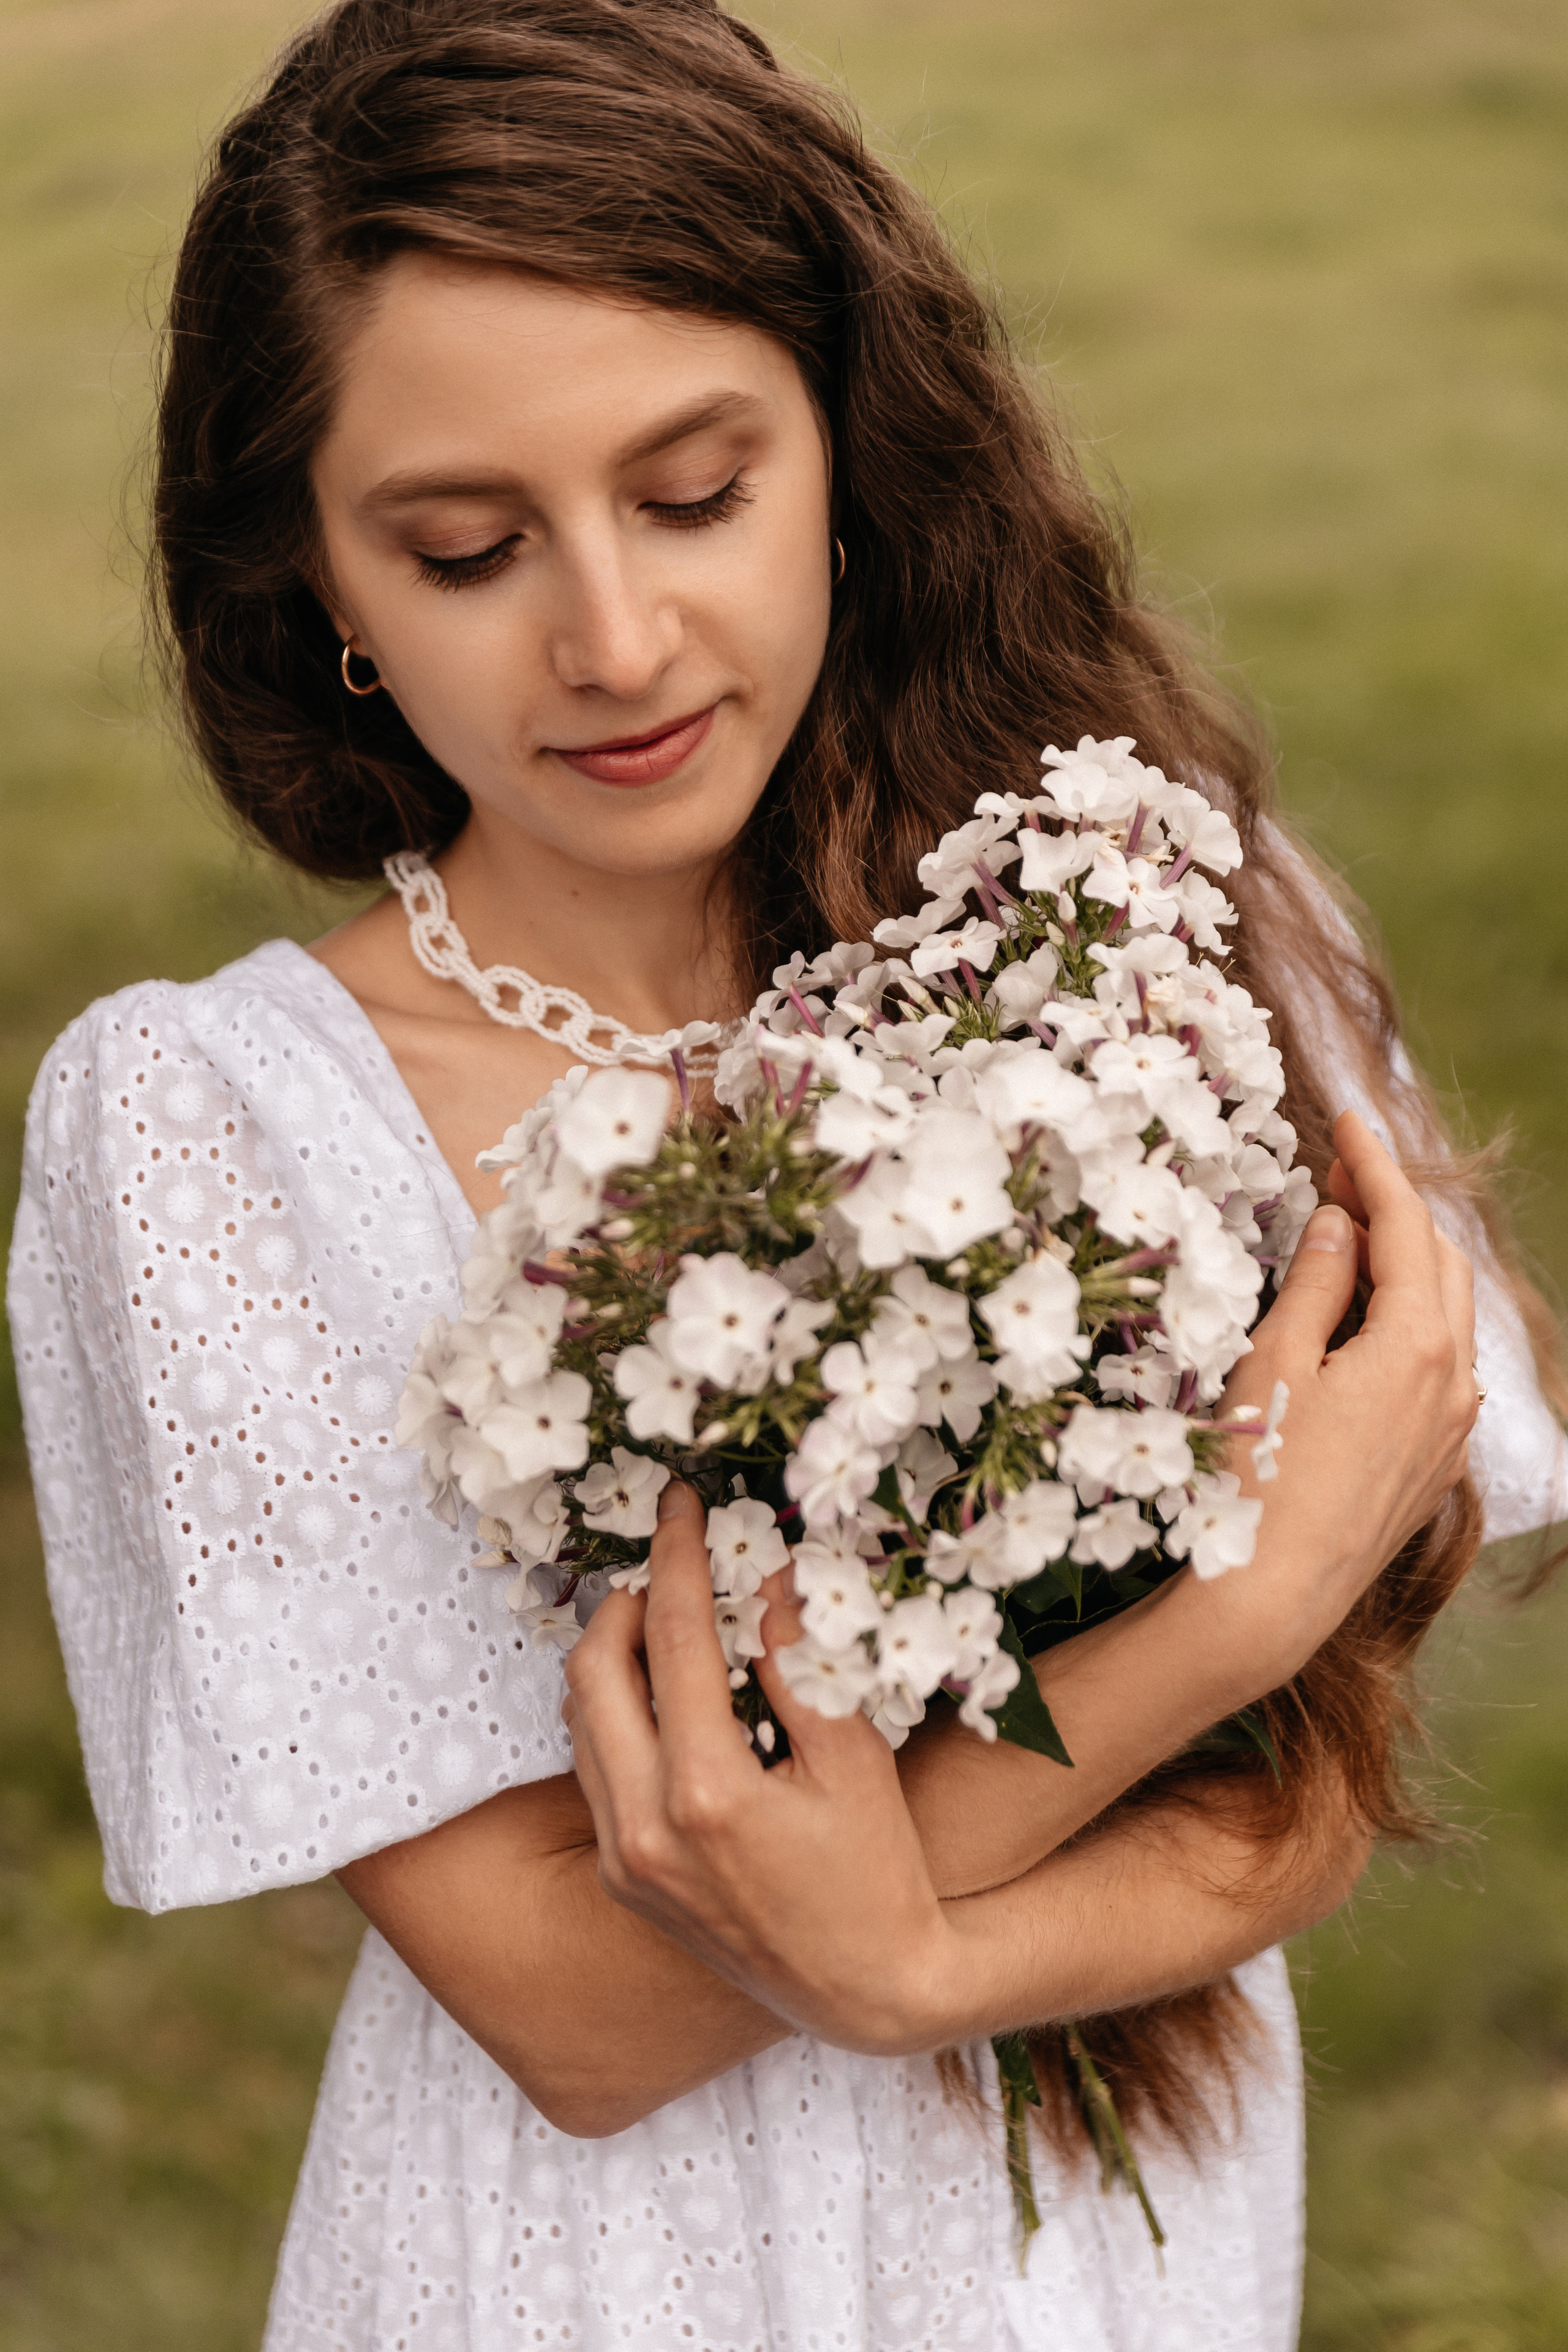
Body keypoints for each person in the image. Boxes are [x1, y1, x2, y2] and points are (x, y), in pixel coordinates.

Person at [8, 3, 1566, 2346]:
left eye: (696, 492)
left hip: (1134, 2262)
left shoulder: (1154, 920)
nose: (613, 638)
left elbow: (1315, 1784)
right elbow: (582, 2012)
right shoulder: (216, 1130)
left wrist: (905, 1954)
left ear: (849, 439)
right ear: (320, 580)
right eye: (462, 546)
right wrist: (1219, 1619)